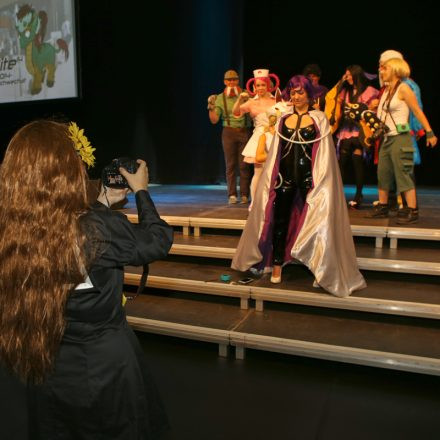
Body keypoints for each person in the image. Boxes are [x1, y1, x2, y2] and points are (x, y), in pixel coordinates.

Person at [0, 120, 173, 439]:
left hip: (48, 365)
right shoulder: (99, 228)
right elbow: (157, 240)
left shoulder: (13, 231)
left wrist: (103, 203)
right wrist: (141, 191)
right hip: (106, 369)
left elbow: (61, 228)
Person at [231, 75, 366, 296]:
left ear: (309, 94)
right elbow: (276, 153)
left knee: (318, 223)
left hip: (309, 179)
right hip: (284, 178)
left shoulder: (318, 119)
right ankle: (276, 264)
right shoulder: (283, 119)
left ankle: (321, 268)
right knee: (280, 221)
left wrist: (320, 181)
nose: (295, 96)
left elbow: (324, 155)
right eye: (292, 92)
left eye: (300, 92)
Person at [368, 58, 437, 224]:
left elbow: (417, 111)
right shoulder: (386, 90)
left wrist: (429, 132)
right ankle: (383, 207)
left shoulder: (404, 88)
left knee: (403, 174)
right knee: (383, 174)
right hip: (386, 138)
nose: (381, 71)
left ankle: (412, 210)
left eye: (385, 68)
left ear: (395, 70)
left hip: (401, 138)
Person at [325, 65, 379, 209]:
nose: (347, 77)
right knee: (341, 163)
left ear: (355, 75)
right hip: (345, 131)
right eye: (346, 75)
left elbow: (373, 111)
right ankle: (339, 195)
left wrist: (368, 108)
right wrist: (341, 81)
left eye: (348, 75)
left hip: (360, 131)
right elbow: (330, 97)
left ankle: (358, 195)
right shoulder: (345, 91)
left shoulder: (369, 91)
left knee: (357, 162)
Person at [232, 68, 280, 205]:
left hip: (274, 136)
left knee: (274, 172)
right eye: (258, 85)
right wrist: (239, 99)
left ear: (268, 85)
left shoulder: (276, 100)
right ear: (254, 87)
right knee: (258, 172)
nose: (260, 88)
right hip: (259, 138)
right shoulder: (251, 102)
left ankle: (271, 202)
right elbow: (236, 112)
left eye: (263, 85)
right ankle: (255, 203)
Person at [208, 69, 252, 204]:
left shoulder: (246, 94)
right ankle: (232, 195)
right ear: (225, 82)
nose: (232, 82)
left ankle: (244, 194)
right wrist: (211, 106)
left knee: (244, 165)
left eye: (234, 79)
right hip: (229, 132)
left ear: (238, 80)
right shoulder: (220, 98)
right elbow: (214, 120)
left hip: (244, 131)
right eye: (229, 80)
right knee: (230, 165)